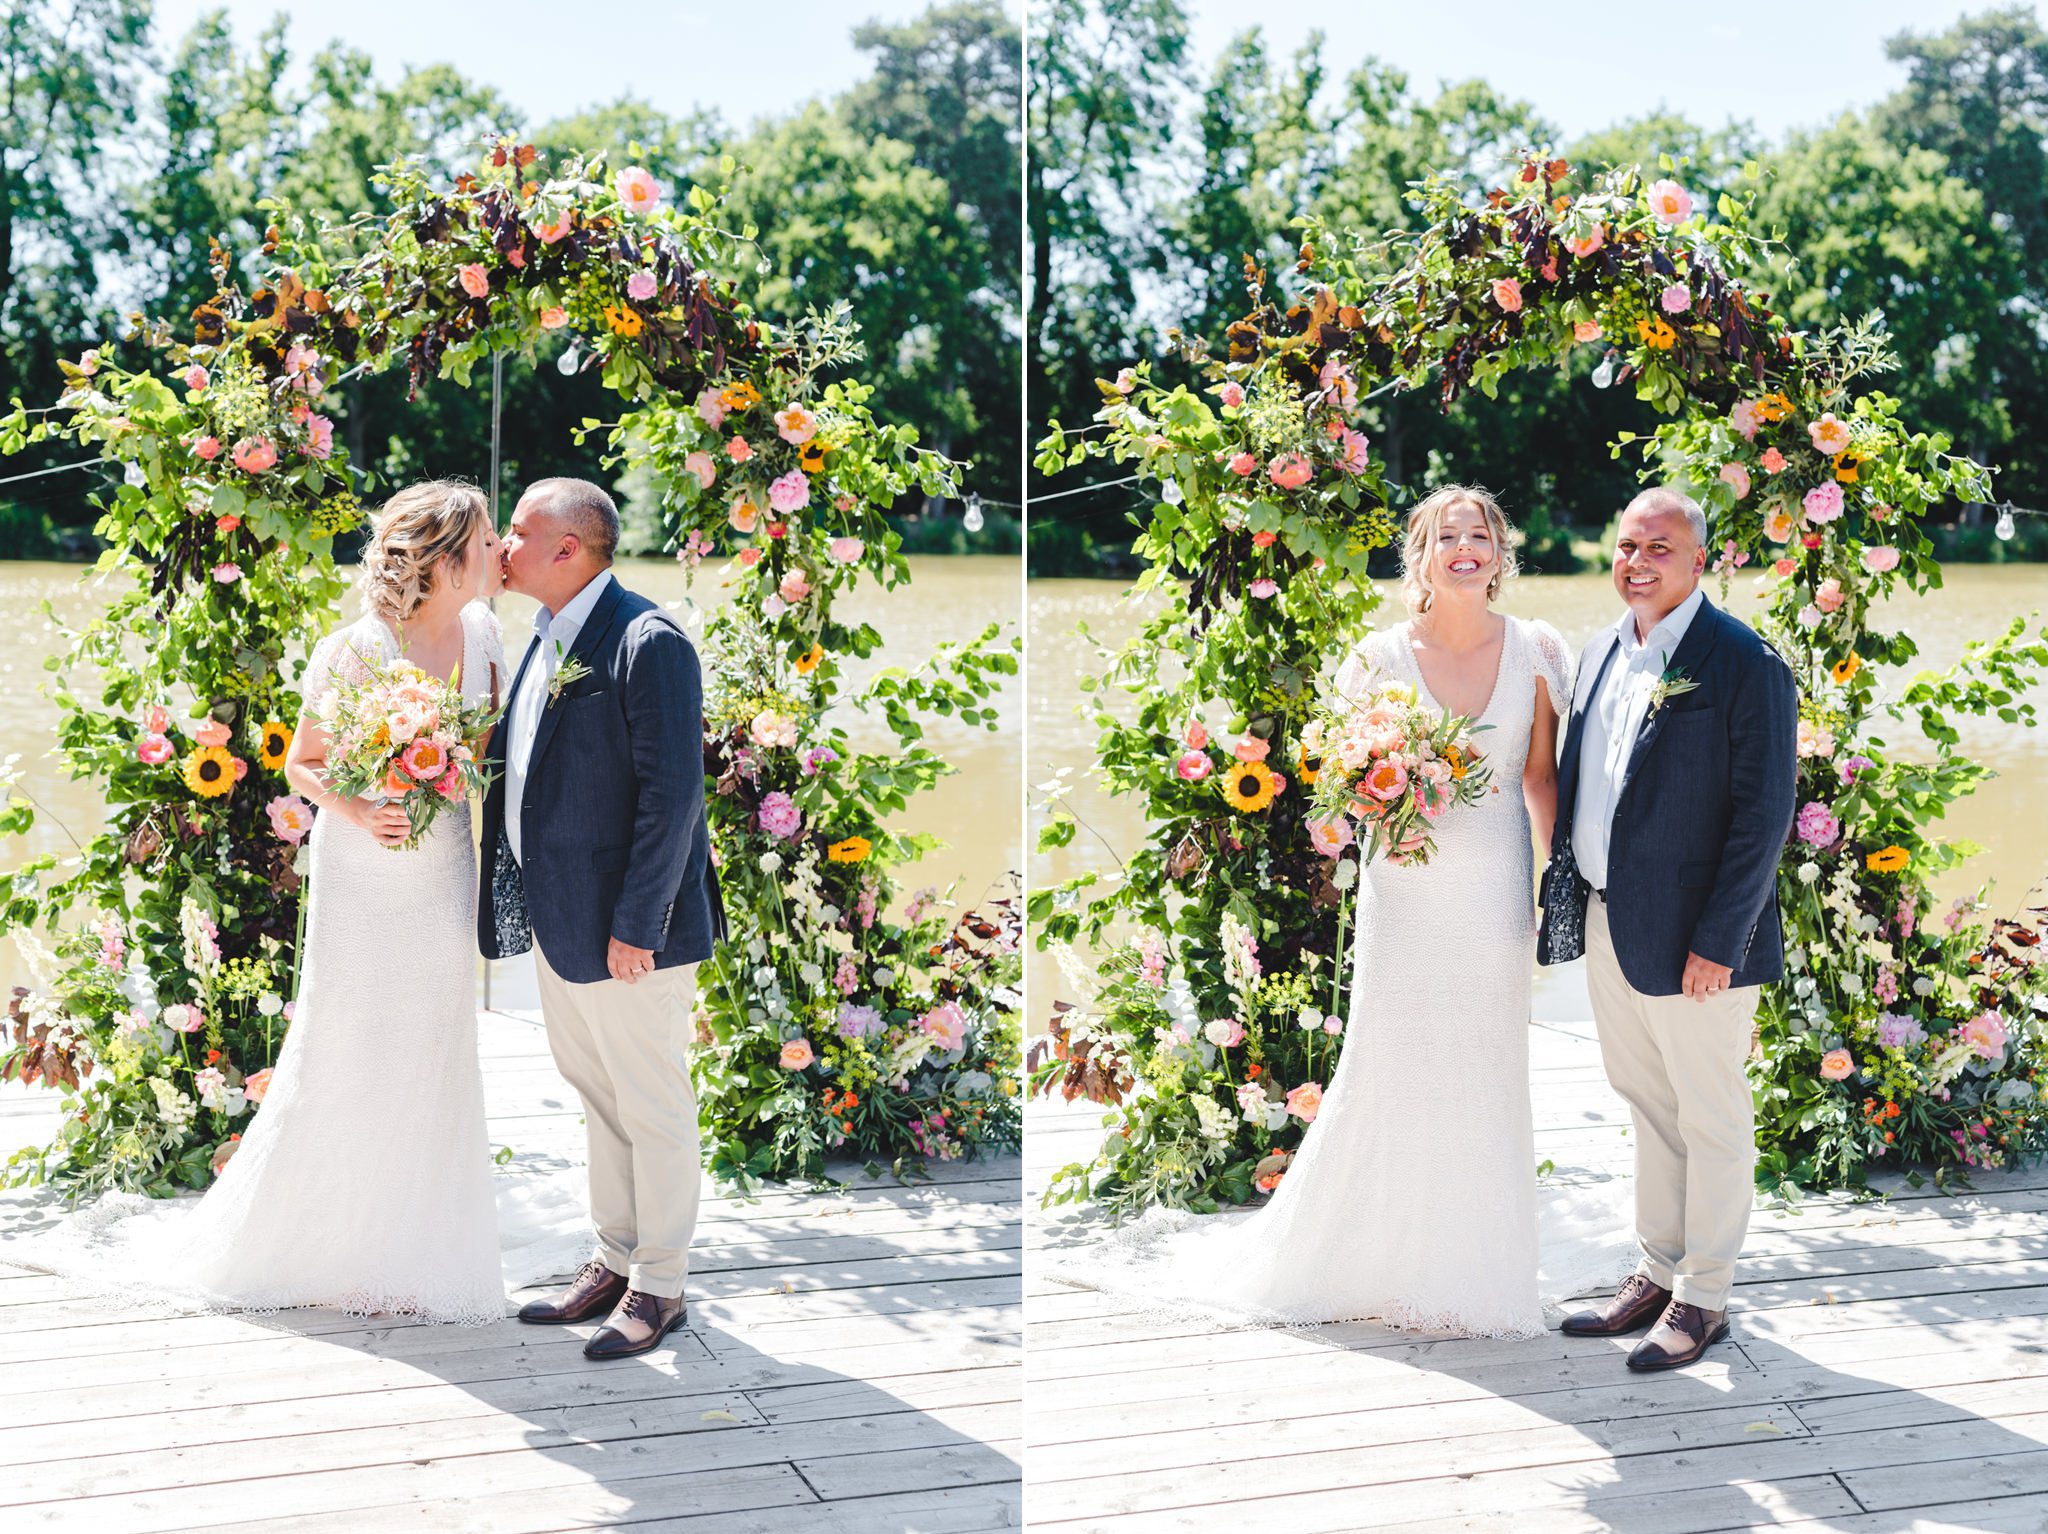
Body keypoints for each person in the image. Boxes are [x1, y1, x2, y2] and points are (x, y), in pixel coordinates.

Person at [1071, 485, 1628, 1336]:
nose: (1465, 548)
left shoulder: (1539, 651)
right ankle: (1374, 1252)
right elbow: (1340, 787)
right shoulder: (1375, 659)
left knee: (1483, 1066)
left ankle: (1476, 1260)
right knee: (1393, 1060)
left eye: (1480, 534)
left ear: (1500, 552)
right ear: (1421, 555)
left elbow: (1539, 779)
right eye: (1448, 536)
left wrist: (1564, 886)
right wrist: (1380, 808)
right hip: (1404, 890)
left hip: (1493, 891)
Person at [20, 480, 512, 1325]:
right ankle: (326, 1238)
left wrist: (446, 771)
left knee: (433, 1033)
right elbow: (304, 765)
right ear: (447, 559)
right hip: (363, 868)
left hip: (439, 868)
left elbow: (483, 752)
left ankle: (418, 1237)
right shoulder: (355, 650)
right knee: (348, 1035)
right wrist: (359, 805)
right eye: (488, 537)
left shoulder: (486, 634)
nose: (502, 548)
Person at [1539, 485, 1797, 1371]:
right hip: (1615, 923)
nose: (1637, 562)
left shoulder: (1744, 661)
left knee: (1712, 1117)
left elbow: (1765, 817)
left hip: (1701, 946)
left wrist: (1719, 943)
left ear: (1700, 562)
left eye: (1659, 548)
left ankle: (1706, 1296)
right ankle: (1655, 1269)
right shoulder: (1604, 649)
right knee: (1650, 1107)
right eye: (1626, 546)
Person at [479, 476, 724, 1362]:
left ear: (567, 550)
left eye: (516, 531)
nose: (502, 545)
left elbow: (674, 798)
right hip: (562, 918)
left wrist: (639, 926)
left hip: (630, 934)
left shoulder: (646, 640)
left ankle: (662, 1285)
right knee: (599, 1098)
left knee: (652, 1104)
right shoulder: (544, 634)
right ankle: (615, 1260)